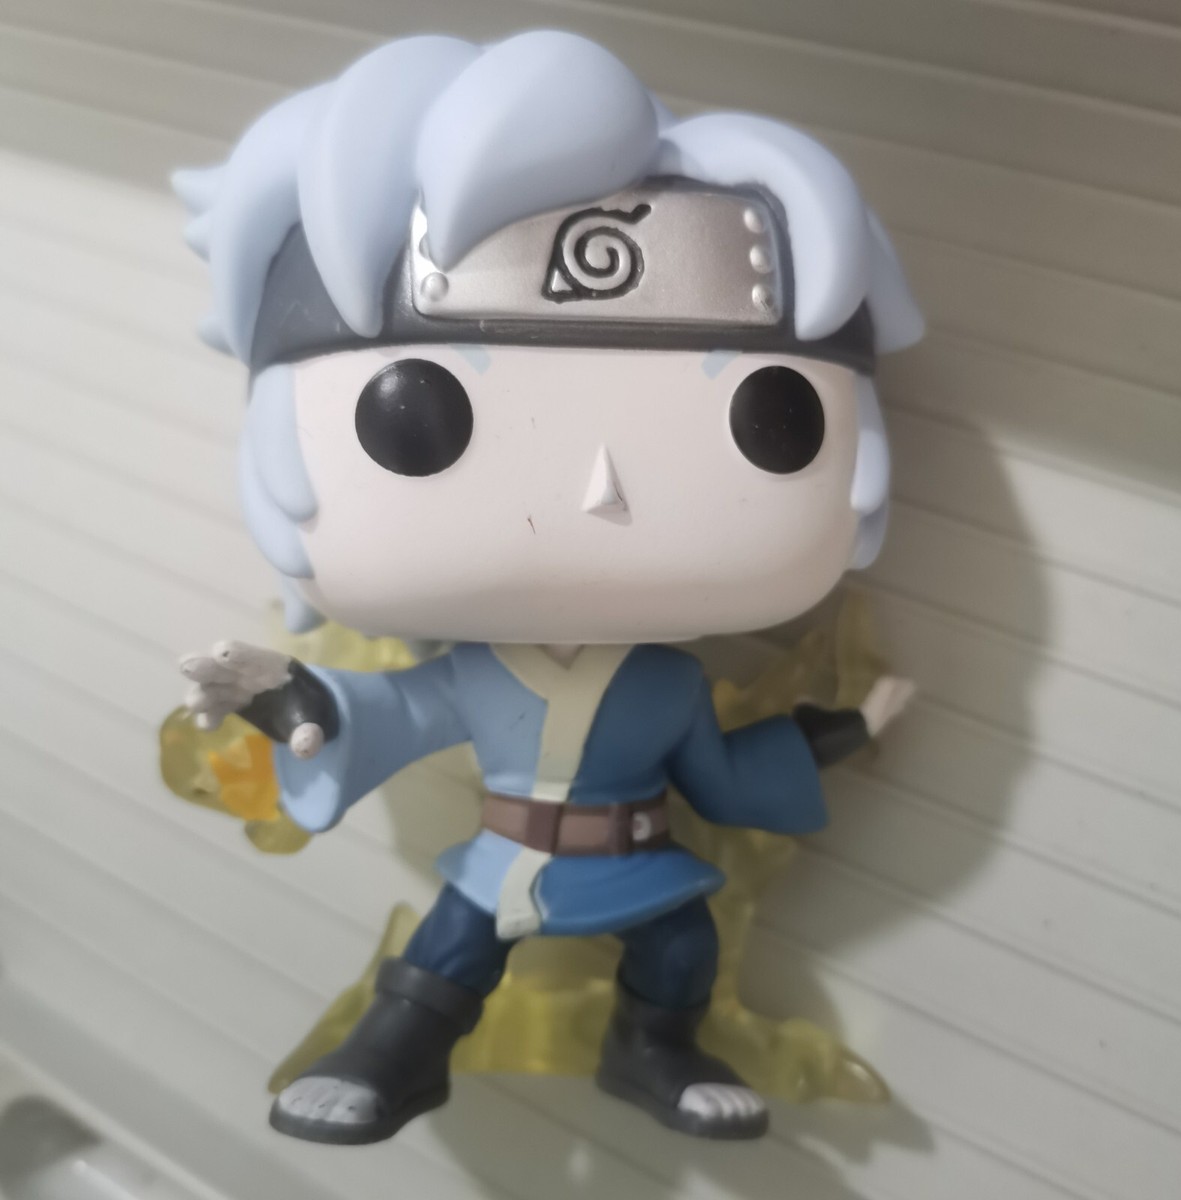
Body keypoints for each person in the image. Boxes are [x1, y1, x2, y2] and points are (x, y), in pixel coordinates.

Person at [175, 29, 922, 1143]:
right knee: (449, 950)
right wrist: (284, 697)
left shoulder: (668, 688)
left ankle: (653, 1047)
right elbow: (384, 712)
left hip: (640, 862)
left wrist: (841, 731)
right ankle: (393, 1054)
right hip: (508, 859)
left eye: (771, 416)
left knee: (682, 947)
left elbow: (723, 772)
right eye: (417, 413)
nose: (601, 490)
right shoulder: (479, 677)